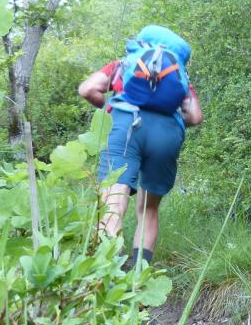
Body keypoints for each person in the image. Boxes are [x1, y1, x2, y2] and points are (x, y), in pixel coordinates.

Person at [78, 33, 203, 270]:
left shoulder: (123, 64)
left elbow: (88, 89)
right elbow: (194, 116)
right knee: (149, 209)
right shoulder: (180, 76)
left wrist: (107, 108)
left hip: (124, 126)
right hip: (166, 133)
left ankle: (108, 276)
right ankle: (138, 280)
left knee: (113, 203)